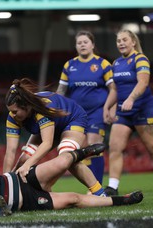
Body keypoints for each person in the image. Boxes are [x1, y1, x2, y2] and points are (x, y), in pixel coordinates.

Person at [0, 143, 143, 217]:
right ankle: (123, 200)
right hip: (27, 200)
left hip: (19, 180)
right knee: (73, 198)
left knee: (60, 162)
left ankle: (85, 151)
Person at [2, 78, 106, 197]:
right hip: (50, 126)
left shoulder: (42, 109)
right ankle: (16, 192)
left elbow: (47, 143)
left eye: (15, 112)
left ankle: (100, 193)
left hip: (72, 119)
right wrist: (5, 179)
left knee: (67, 158)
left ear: (26, 106)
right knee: (24, 158)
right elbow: (10, 151)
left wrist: (27, 166)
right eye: (10, 112)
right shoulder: (12, 117)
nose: (12, 115)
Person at [103, 29, 153, 196]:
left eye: (124, 40)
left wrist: (130, 99)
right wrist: (107, 107)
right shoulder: (116, 63)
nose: (120, 43)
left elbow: (143, 82)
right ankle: (112, 187)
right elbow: (115, 89)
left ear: (133, 42)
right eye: (118, 41)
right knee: (115, 147)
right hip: (124, 113)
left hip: (144, 110)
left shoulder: (140, 59)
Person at [57, 30, 116, 185]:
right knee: (82, 150)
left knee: (93, 145)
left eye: (85, 42)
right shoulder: (69, 65)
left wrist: (109, 108)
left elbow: (113, 89)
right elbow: (61, 91)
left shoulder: (103, 64)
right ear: (76, 46)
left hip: (97, 112)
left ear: (92, 45)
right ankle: (93, 186)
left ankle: (97, 187)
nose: (82, 45)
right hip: (76, 114)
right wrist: (56, 109)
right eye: (79, 43)